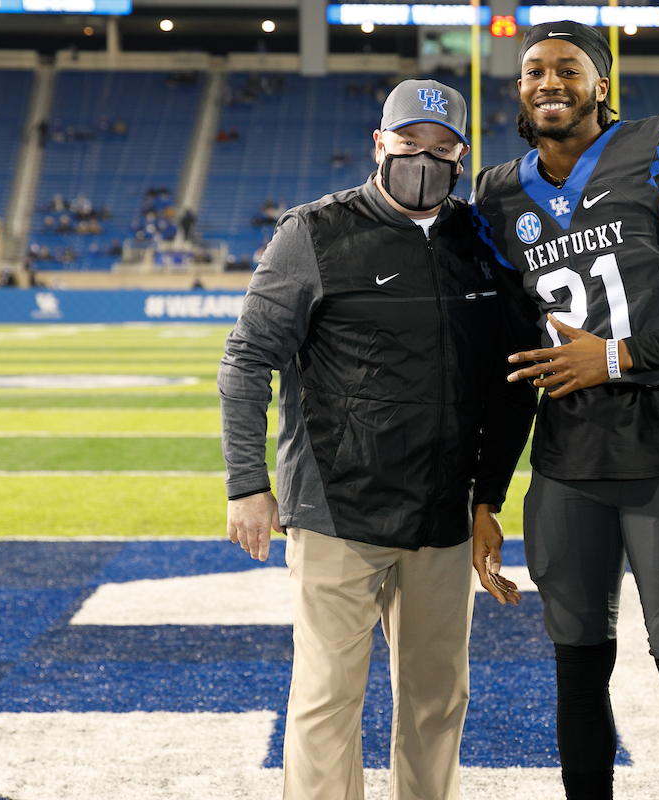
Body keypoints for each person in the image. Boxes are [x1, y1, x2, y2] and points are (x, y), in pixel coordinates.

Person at [471, 21, 659, 800]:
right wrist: (486, 496)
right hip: (566, 457)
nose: (549, 82)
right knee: (575, 665)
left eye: (569, 69)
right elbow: (511, 365)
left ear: (600, 83)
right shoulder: (498, 195)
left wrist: (618, 356)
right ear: (520, 88)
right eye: (534, 70)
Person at [219, 79, 535, 800]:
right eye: (408, 144)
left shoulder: (480, 240)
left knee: (437, 699)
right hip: (340, 508)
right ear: (379, 144)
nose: (423, 159)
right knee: (328, 699)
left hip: (444, 516)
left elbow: (505, 384)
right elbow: (245, 361)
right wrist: (247, 483)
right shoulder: (313, 233)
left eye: (441, 148)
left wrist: (487, 499)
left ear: (461, 155)